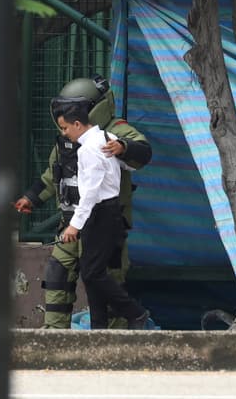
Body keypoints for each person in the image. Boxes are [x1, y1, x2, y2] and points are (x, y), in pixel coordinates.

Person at [14, 75, 152, 328]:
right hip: (72, 224)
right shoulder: (70, 135)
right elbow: (52, 174)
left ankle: (116, 333)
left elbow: (143, 151)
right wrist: (31, 198)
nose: (65, 120)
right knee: (58, 272)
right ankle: (55, 331)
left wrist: (123, 147)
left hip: (104, 221)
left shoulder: (113, 131)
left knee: (105, 279)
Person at [52, 100, 149, 329]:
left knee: (93, 272)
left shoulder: (89, 149)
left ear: (77, 124)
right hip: (107, 212)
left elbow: (90, 192)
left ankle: (134, 312)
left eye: (65, 128)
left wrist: (74, 225)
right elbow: (129, 167)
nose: (64, 134)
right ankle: (98, 325)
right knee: (90, 272)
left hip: (101, 213)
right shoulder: (105, 138)